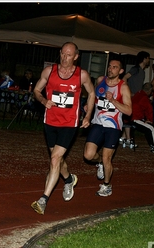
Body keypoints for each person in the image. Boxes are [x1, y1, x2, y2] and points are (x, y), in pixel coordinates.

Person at [30, 42, 95, 215]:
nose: (65, 58)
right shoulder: (49, 72)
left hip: (69, 123)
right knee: (57, 160)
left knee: (54, 160)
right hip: (50, 122)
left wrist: (87, 115)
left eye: (69, 55)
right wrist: (44, 101)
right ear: (60, 53)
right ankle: (69, 179)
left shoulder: (81, 75)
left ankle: (43, 200)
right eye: (63, 54)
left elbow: (92, 93)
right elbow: (36, 90)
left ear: (75, 57)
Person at [83, 59, 132, 197]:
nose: (110, 69)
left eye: (115, 67)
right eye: (109, 66)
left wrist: (113, 100)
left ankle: (106, 185)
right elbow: (94, 96)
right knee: (88, 155)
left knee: (107, 158)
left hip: (114, 126)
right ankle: (99, 163)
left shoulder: (123, 87)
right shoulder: (100, 80)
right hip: (98, 123)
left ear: (120, 71)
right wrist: (89, 105)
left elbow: (129, 111)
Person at [120, 51, 150, 146]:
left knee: (132, 116)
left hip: (137, 97)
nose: (149, 60)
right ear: (144, 59)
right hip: (131, 97)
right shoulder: (136, 69)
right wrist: (128, 91)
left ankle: (123, 137)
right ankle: (128, 139)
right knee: (130, 116)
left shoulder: (142, 71)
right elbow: (124, 77)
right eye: (148, 58)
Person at [130, 82, 154, 155]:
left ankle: (153, 145)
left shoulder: (138, 94)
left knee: (149, 128)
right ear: (149, 91)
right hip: (135, 119)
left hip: (134, 117)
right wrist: (149, 120)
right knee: (151, 128)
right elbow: (149, 110)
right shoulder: (144, 97)